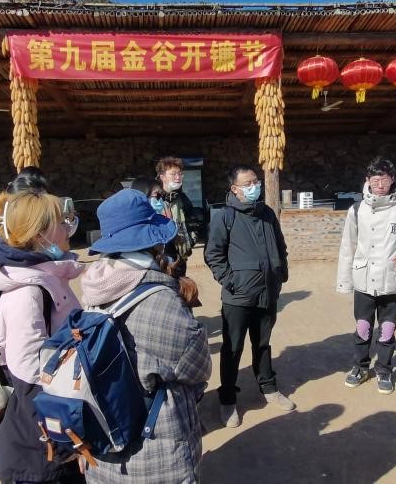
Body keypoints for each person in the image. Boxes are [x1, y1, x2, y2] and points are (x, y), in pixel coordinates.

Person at [81, 189, 211, 483]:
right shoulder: (160, 300)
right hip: (156, 453)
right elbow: (198, 368)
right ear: (153, 241)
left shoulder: (93, 292)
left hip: (103, 444)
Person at [0, 191, 85, 483]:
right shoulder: (27, 291)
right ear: (39, 234)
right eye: (60, 222)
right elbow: (29, 370)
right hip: (40, 440)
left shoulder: (46, 275)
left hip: (52, 419)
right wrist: (67, 431)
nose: (68, 228)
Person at [204, 164, 293, 428]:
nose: (255, 187)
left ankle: (269, 387)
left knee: (263, 344)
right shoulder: (224, 217)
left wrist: (280, 272)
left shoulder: (267, 213)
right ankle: (228, 399)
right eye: (248, 184)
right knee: (232, 348)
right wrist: (231, 281)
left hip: (268, 291)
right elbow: (213, 254)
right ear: (234, 189)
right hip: (238, 297)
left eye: (256, 181)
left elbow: (280, 245)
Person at [336, 157, 396, 394]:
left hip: (391, 281)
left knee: (387, 329)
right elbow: (347, 247)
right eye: (375, 179)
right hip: (363, 280)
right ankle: (360, 367)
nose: (380, 184)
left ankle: (384, 369)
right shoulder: (356, 210)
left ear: (392, 179)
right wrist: (344, 282)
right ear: (367, 180)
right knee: (363, 327)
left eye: (384, 179)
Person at [155, 156, 196, 271]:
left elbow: (193, 222)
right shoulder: (153, 198)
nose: (178, 177)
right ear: (162, 177)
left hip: (180, 256)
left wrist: (190, 241)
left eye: (180, 174)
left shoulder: (183, 198)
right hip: (158, 256)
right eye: (173, 174)